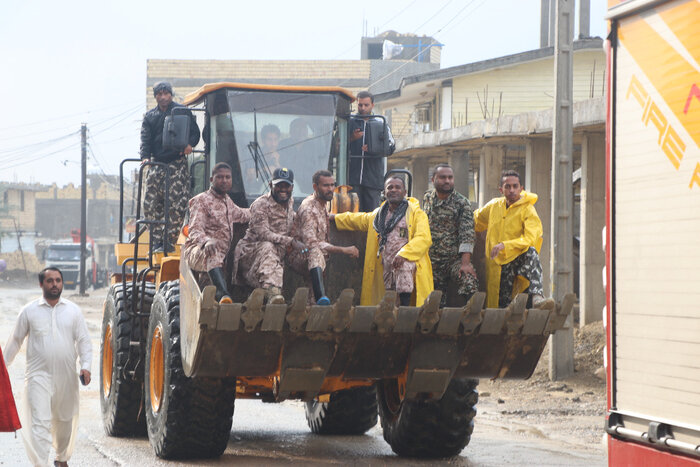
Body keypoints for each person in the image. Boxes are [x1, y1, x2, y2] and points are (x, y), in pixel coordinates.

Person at [4, 267, 92, 467]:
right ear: (41, 284)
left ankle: (61, 458)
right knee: (40, 423)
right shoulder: (29, 311)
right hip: (37, 376)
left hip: (67, 377)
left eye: (58, 280)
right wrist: (3, 368)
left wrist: (86, 366)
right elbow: (14, 342)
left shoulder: (73, 311)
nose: (55, 284)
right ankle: (40, 464)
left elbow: (84, 341)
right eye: (50, 281)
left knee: (64, 421)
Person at [332, 175, 432, 307]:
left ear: (405, 192)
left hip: (407, 263)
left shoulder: (416, 214)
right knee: (389, 298)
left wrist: (404, 254)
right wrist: (334, 218)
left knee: (404, 271)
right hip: (386, 263)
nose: (394, 190)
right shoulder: (378, 215)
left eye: (398, 187)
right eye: (390, 187)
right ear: (384, 192)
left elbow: (423, 238)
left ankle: (405, 310)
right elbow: (359, 219)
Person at [473, 170, 554, 309]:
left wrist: (505, 245)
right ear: (501, 189)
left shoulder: (528, 209)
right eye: (507, 186)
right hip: (497, 263)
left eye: (515, 186)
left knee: (531, 252)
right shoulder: (493, 206)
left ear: (521, 188)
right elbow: (475, 220)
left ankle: (537, 295)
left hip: (517, 260)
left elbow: (531, 238)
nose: (512, 190)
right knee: (502, 304)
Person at [140, 81, 201, 252]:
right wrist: (145, 158)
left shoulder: (182, 111)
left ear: (171, 95)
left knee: (176, 204)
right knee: (151, 204)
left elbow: (195, 133)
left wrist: (190, 144)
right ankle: (156, 241)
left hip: (176, 163)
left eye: (166, 93)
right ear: (156, 97)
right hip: (156, 163)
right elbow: (145, 139)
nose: (163, 97)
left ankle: (168, 241)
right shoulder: (150, 116)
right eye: (159, 94)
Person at [233, 167, 307, 303]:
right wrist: (291, 242)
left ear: (292, 187)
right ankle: (273, 293)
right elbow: (263, 233)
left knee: (310, 254)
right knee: (268, 246)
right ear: (270, 185)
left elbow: (292, 218)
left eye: (286, 185)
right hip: (252, 253)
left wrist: (329, 216)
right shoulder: (260, 205)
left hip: (279, 253)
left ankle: (313, 297)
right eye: (279, 185)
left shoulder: (289, 202)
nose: (283, 189)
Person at [287, 170, 359, 305]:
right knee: (315, 253)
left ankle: (313, 305)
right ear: (315, 187)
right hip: (300, 255)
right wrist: (344, 250)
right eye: (326, 186)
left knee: (310, 302)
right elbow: (311, 244)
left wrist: (335, 217)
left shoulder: (322, 203)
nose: (330, 189)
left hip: (316, 261)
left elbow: (323, 218)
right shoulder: (309, 208)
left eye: (332, 185)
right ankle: (322, 298)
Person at [183, 162, 250, 303]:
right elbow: (194, 229)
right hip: (197, 251)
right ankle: (222, 293)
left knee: (207, 297)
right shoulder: (201, 200)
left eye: (228, 177)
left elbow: (244, 214)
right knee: (213, 252)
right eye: (220, 177)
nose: (224, 180)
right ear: (211, 180)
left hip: (219, 259)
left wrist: (265, 207)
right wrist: (206, 241)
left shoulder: (227, 201)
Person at [423, 163, 479, 306]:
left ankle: (471, 316)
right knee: (434, 305)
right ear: (433, 180)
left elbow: (467, 234)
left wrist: (465, 263)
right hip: (431, 262)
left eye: (450, 177)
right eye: (442, 177)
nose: (447, 181)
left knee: (469, 280)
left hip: (453, 261)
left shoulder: (462, 203)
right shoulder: (427, 198)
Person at [348, 91, 395, 212]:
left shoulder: (381, 122)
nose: (363, 108)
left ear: (372, 105)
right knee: (353, 216)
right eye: (360, 105)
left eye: (366, 105)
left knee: (372, 216)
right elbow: (337, 145)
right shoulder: (350, 122)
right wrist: (352, 138)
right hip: (352, 179)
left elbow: (390, 147)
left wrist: (374, 150)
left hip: (373, 180)